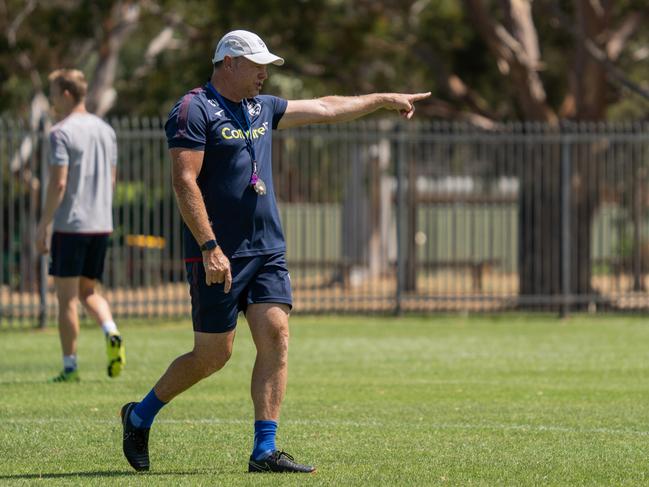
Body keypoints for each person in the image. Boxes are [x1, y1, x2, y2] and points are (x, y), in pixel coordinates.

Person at [120, 29, 429, 473]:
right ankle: (139, 415)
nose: (265, 73)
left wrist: (383, 98)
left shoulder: (261, 108)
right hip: (218, 253)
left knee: (277, 336)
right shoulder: (193, 109)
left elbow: (325, 107)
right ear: (229, 63)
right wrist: (209, 246)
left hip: (267, 250)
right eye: (257, 64)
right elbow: (184, 181)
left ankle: (264, 451)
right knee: (213, 355)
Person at [36, 69, 126, 383]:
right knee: (89, 291)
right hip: (101, 225)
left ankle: (70, 366)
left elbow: (59, 184)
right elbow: (112, 180)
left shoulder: (60, 132)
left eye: (52, 92)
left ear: (65, 94)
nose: (50, 99)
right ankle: (111, 330)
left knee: (66, 299)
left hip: (71, 225)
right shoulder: (106, 131)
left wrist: (44, 224)